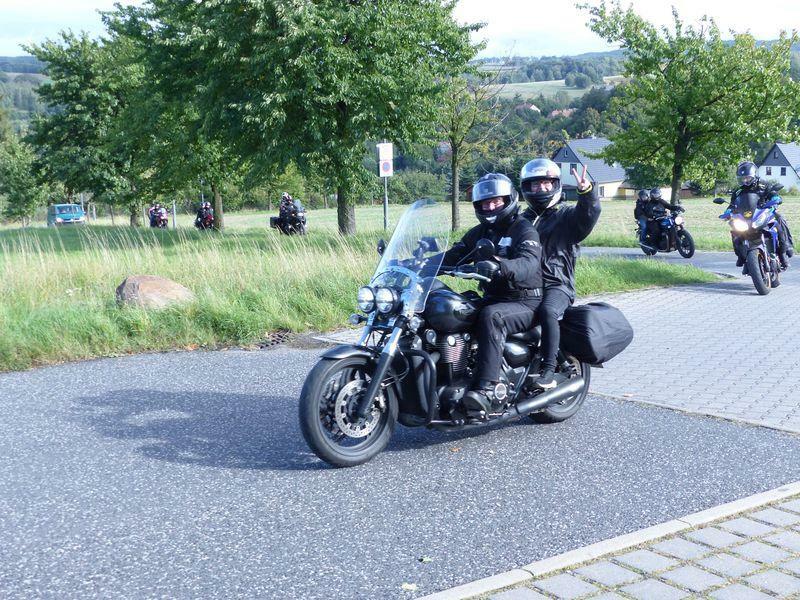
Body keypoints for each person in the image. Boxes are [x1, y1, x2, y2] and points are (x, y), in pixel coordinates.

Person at [437, 173, 544, 415]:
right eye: (485, 203)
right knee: (457, 308)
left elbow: (528, 262)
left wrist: (501, 266)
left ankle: (486, 388)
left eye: (496, 201)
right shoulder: (479, 233)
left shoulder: (524, 230)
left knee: (491, 317)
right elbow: (456, 254)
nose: (490, 206)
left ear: (509, 200)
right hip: (495, 298)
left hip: (526, 300)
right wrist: (419, 264)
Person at [520, 159, 601, 390]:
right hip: (525, 284)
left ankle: (548, 369)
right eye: (535, 185)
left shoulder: (565, 217)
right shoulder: (521, 220)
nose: (541, 189)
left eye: (546, 183)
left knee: (547, 311)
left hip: (557, 284)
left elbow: (587, 216)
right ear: (526, 187)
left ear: (555, 185)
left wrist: (587, 193)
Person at [729, 161, 794, 268]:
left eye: (747, 178)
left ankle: (785, 250)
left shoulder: (763, 185)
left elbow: (773, 194)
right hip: (747, 217)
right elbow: (732, 205)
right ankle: (741, 256)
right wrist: (728, 211)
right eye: (742, 178)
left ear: (754, 175)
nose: (745, 180)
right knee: (734, 229)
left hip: (764, 212)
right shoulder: (738, 191)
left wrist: (775, 199)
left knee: (780, 218)